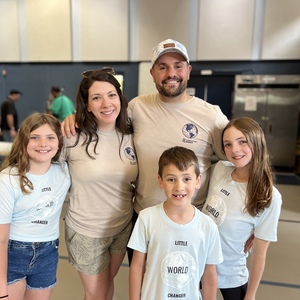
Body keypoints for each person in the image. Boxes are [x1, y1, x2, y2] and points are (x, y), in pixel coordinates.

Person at [62, 38, 228, 214]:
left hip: (188, 222)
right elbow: (106, 121)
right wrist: (75, 118)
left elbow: (238, 161)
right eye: (162, 67)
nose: (171, 73)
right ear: (152, 73)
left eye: (178, 66)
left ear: (188, 71)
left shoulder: (212, 115)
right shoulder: (137, 107)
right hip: (142, 218)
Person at [60, 68, 138, 300]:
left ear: (120, 99)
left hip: (121, 226)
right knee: (95, 294)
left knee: (107, 287)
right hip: (86, 230)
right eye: (97, 97)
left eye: (111, 95)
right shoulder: (71, 136)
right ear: (87, 104)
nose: (106, 103)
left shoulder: (130, 134)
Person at [202, 117, 282, 300]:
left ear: (257, 142)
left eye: (242, 142)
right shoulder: (219, 169)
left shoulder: (269, 196)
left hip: (231, 274)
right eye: (227, 144)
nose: (234, 150)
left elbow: (260, 254)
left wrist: (251, 295)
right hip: (201, 267)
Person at [128, 146, 223, 300]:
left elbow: (209, 274)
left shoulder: (208, 226)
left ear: (198, 181)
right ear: (161, 181)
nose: (179, 187)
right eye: (171, 179)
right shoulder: (147, 218)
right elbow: (137, 266)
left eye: (186, 179)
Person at [0, 113, 71, 300]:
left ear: (59, 142)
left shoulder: (64, 171)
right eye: (35, 137)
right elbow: (1, 238)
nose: (43, 143)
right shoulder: (8, 179)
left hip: (48, 253)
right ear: (24, 141)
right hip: (13, 252)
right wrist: (1, 286)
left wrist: (74, 118)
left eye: (50, 137)